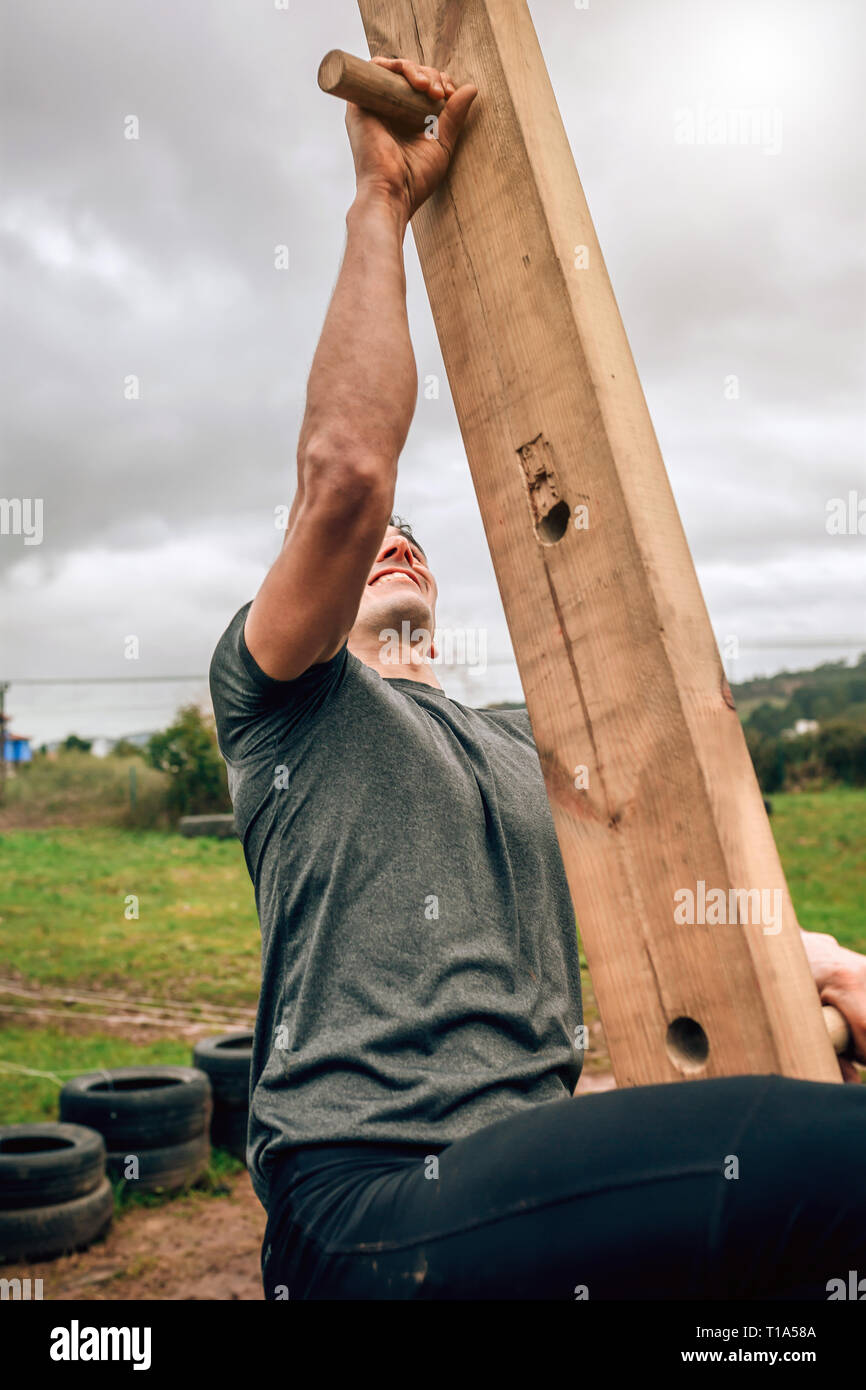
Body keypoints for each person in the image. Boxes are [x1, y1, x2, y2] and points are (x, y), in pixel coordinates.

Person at [209, 58, 866, 1300]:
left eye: (415, 541)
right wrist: (379, 201)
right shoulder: (279, 699)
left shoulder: (522, 746)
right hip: (369, 1202)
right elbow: (348, 476)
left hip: (526, 1176)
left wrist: (820, 964)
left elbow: (672, 890)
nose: (395, 539)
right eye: (360, 550)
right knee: (824, 1174)